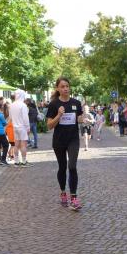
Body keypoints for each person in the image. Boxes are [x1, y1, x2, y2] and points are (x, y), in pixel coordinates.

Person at [46, 77, 83, 211]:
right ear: (58, 88)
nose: (65, 88)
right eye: (62, 86)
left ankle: (74, 198)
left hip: (73, 139)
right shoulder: (54, 104)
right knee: (62, 167)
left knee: (72, 166)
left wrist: (82, 119)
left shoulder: (76, 103)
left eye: (67, 86)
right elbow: (49, 126)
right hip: (59, 140)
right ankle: (63, 192)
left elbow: (79, 118)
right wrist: (59, 115)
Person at [10, 90, 30, 166]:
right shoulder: (23, 105)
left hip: (15, 127)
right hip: (22, 127)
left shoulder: (12, 105)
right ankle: (24, 162)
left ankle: (16, 161)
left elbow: (10, 117)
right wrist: (28, 128)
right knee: (23, 145)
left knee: (16, 145)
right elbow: (25, 118)